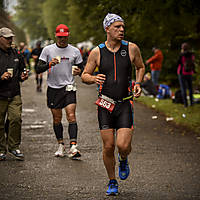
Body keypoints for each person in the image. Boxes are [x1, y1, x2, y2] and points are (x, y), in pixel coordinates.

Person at [81, 13, 145, 195]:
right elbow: (85, 75)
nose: (122, 30)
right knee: (108, 146)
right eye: (117, 27)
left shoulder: (131, 48)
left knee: (123, 145)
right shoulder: (97, 52)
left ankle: (123, 158)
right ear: (107, 29)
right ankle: (112, 181)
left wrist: (138, 83)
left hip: (125, 103)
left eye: (123, 27)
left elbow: (140, 66)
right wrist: (93, 78)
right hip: (105, 104)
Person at [35, 24, 84, 158]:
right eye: (60, 37)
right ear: (56, 36)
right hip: (53, 89)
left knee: (71, 115)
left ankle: (73, 146)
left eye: (65, 37)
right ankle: (61, 145)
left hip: (69, 87)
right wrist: (49, 64)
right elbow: (37, 69)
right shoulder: (48, 50)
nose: (62, 39)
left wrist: (80, 72)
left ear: (68, 36)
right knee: (57, 118)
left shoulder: (75, 51)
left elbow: (83, 69)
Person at [0, 27, 28, 161]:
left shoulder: (16, 53)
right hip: (0, 94)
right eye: (7, 38)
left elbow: (23, 69)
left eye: (11, 37)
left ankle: (14, 147)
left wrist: (24, 75)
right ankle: (1, 149)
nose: (10, 40)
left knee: (16, 119)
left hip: (14, 93)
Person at [177, 42, 195, 107]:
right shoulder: (192, 54)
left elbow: (178, 62)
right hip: (190, 73)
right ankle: (192, 102)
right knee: (190, 88)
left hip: (182, 73)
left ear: (182, 48)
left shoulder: (182, 55)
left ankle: (185, 104)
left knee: (183, 88)